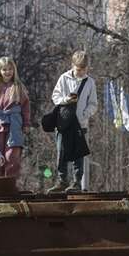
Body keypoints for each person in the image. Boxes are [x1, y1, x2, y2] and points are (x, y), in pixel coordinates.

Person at [48, 50, 98, 193]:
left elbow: (93, 104)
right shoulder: (64, 78)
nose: (81, 72)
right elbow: (55, 96)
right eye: (78, 69)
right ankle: (62, 180)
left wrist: (84, 114)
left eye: (84, 69)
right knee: (61, 152)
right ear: (72, 66)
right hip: (63, 122)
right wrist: (65, 100)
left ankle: (76, 182)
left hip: (80, 124)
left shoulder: (90, 82)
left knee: (78, 153)